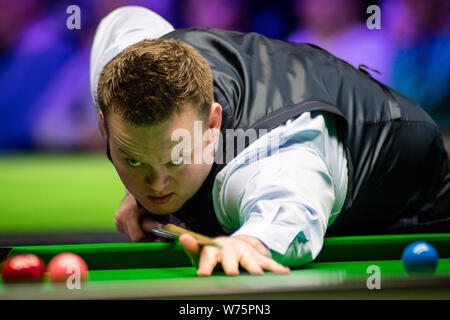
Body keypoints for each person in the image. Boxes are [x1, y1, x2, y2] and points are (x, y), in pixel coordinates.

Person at [90, 6, 450, 276]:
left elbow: (292, 210)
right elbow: (125, 18)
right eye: (133, 160)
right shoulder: (122, 70)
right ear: (105, 126)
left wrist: (250, 241)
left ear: (213, 122)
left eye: (175, 158)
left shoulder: (271, 157)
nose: (156, 184)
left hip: (411, 208)